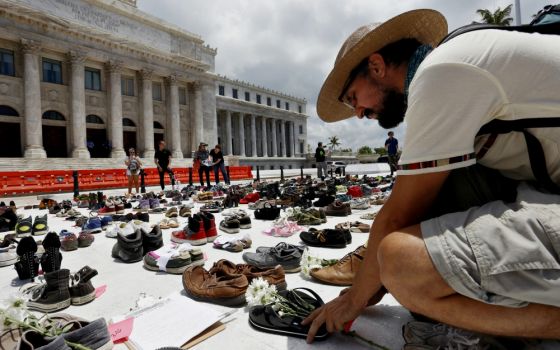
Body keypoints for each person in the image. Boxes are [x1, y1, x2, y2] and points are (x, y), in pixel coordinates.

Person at [305, 9, 560, 343]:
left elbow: (398, 215)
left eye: (354, 98)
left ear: (377, 66)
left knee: (400, 262)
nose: (359, 113)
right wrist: (370, 283)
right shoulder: (456, 57)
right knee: (441, 184)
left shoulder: (441, 73)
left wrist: (356, 298)